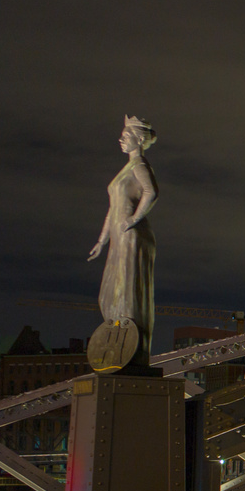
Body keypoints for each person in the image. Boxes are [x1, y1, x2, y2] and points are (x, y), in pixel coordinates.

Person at [87, 116, 158, 365]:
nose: (121, 139)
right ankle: (118, 343)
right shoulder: (126, 169)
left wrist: (133, 219)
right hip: (119, 236)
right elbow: (112, 208)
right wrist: (102, 240)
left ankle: (129, 348)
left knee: (127, 293)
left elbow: (151, 192)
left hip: (132, 236)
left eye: (125, 136)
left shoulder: (140, 164)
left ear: (138, 139)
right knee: (110, 295)